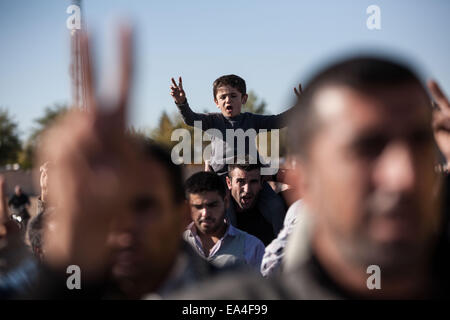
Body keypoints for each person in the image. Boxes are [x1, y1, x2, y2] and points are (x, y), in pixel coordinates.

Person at [170, 56, 450, 300]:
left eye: (233, 96)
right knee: (227, 215)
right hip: (222, 179)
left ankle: (283, 250)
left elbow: (280, 120)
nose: (402, 175)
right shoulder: (213, 122)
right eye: (222, 97)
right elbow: (191, 119)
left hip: (254, 172)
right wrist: (182, 103)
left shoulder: (252, 120)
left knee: (274, 207)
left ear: (243, 99)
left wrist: (299, 107)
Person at [19, 28, 228, 300]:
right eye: (105, 207)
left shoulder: (238, 295)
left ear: (182, 216)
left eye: (143, 206)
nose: (123, 225)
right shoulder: (66, 286)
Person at [183, 171, 265, 270]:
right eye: (198, 207)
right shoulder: (174, 246)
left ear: (226, 202)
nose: (205, 213)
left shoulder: (252, 247)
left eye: (212, 205)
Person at [225, 159, 285, 246]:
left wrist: (274, 175)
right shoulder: (216, 218)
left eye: (253, 182)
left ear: (261, 182)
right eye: (240, 181)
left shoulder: (275, 209)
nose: (247, 190)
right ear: (229, 183)